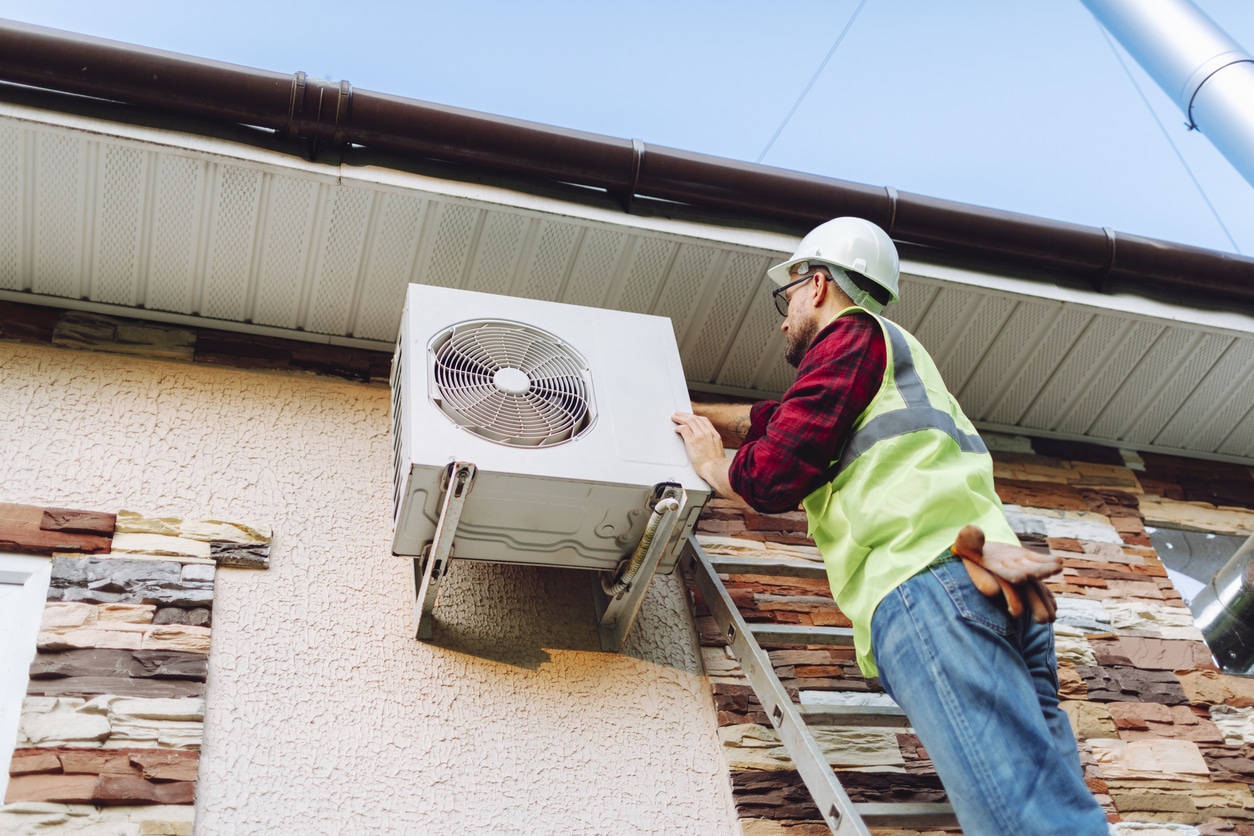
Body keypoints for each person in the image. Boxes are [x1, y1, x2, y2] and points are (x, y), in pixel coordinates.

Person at [672, 217, 1108, 835]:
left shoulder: (848, 339)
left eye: (788, 294)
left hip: (928, 582)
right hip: (1002, 581)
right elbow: (776, 417)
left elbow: (771, 474)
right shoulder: (892, 355)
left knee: (1020, 823)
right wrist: (686, 408)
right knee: (1053, 809)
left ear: (818, 284)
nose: (782, 315)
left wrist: (715, 467)